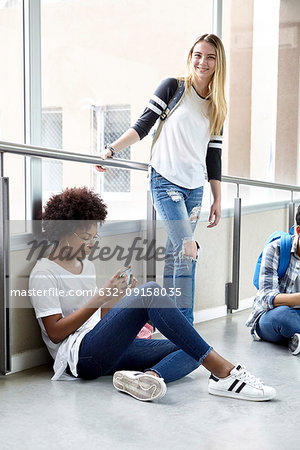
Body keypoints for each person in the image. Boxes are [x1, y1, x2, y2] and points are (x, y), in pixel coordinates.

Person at [29, 187, 276, 402]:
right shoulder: (43, 272)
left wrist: (118, 297)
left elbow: (101, 321)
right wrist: (104, 296)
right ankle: (223, 371)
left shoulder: (87, 266)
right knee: (151, 292)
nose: (92, 244)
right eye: (85, 237)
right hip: (81, 357)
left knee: (191, 347)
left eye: (95, 237)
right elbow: (56, 332)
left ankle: (148, 380)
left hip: (102, 347)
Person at [95, 34, 226, 324]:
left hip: (194, 190)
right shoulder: (174, 87)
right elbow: (142, 125)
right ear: (190, 57)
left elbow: (213, 156)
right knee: (187, 250)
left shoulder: (217, 106)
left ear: (219, 63)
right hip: (165, 181)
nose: (202, 62)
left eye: (210, 57)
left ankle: (169, 326)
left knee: (176, 259)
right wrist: (111, 149)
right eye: (197, 55)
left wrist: (217, 197)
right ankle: (185, 328)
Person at [246, 207, 300, 355]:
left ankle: (296, 339)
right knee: (284, 317)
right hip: (273, 316)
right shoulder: (275, 249)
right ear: (299, 231)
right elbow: (266, 297)